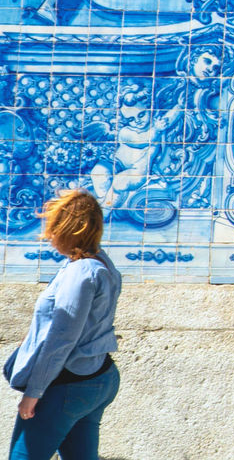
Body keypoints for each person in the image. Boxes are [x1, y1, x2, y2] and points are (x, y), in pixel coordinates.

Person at [5, 190, 121, 460]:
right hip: (98, 377)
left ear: (68, 230)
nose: (49, 235)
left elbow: (61, 340)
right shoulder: (103, 264)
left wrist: (33, 394)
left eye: (54, 227)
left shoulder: (80, 274)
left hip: (69, 385)